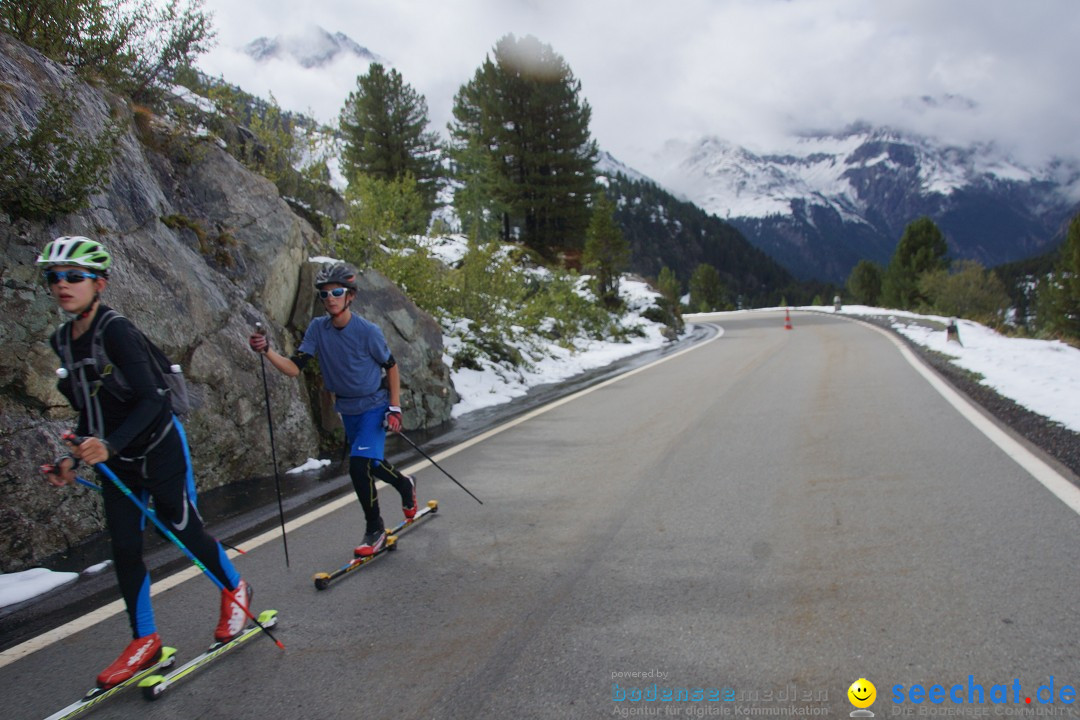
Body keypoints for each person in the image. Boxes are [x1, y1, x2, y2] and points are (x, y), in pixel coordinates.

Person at [37, 236, 252, 689]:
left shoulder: (116, 330)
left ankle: (236, 589)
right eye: (54, 278)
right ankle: (145, 640)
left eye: (74, 276)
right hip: (117, 461)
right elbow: (89, 408)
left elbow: (154, 398)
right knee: (124, 549)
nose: (63, 285)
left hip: (158, 449)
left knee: (181, 530)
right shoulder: (63, 340)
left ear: (100, 283)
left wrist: (109, 445)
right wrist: (70, 459)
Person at [248, 262, 416, 557]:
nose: (330, 298)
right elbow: (293, 368)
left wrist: (394, 407)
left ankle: (375, 529)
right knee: (372, 464)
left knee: (358, 464)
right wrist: (267, 351)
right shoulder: (318, 328)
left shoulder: (368, 332)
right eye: (324, 294)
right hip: (348, 409)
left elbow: (391, 366)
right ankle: (405, 484)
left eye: (337, 292)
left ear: (350, 295)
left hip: (374, 406)